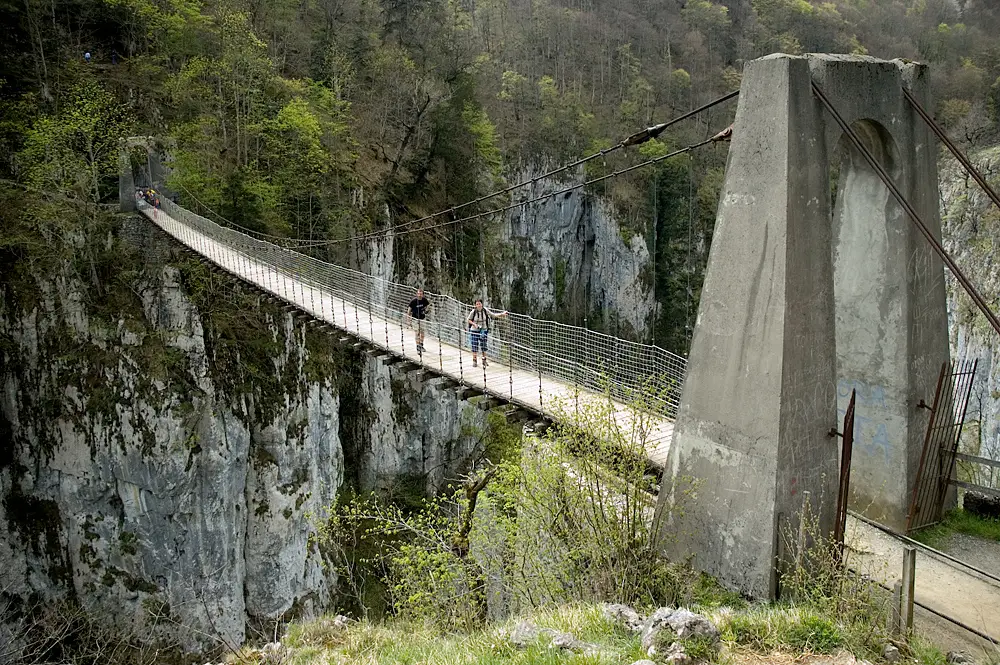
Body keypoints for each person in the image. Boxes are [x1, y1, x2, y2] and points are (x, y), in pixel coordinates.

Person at [466, 298, 507, 368]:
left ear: (482, 304)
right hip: (474, 330)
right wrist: (474, 324)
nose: (478, 305)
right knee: (474, 345)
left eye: (479, 304)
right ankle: (474, 361)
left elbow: (493, 315)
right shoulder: (473, 312)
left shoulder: (485, 310)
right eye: (477, 304)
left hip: (483, 330)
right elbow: (468, 320)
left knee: (484, 345)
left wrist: (502, 314)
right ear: (475, 305)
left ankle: (484, 360)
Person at [405, 288, 431, 354]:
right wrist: (408, 320)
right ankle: (418, 346)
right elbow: (409, 311)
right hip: (415, 319)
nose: (419, 295)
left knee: (422, 332)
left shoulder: (424, 300)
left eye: (421, 294)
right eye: (418, 294)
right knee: (417, 332)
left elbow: (428, 305)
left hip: (422, 318)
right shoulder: (413, 301)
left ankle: (421, 345)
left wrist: (426, 310)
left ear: (423, 295)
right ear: (417, 294)